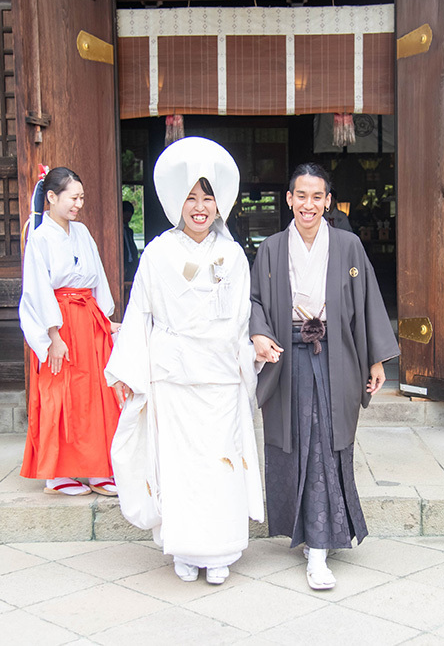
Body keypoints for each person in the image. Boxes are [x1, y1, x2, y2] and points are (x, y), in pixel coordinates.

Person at [106, 137, 263, 586]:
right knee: (179, 465)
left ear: (219, 204)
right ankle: (184, 547)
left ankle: (221, 549)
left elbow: (242, 318)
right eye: (191, 197)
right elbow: (140, 312)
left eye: (207, 198)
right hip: (173, 375)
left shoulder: (233, 255)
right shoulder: (158, 252)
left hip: (220, 376)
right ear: (178, 202)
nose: (199, 207)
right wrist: (128, 370)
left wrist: (251, 352)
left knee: (220, 461)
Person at [249, 163, 399, 591]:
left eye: (317, 197)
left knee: (324, 441)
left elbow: (368, 302)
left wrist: (376, 360)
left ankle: (318, 547)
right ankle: (309, 535)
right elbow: (253, 300)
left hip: (336, 357)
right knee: (295, 441)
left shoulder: (348, 246)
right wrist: (259, 333)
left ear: (328, 201)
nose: (309, 205)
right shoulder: (272, 248)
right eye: (301, 196)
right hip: (287, 357)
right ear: (289, 199)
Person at [18, 167, 121, 497]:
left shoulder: (82, 232)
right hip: (60, 324)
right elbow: (37, 290)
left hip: (87, 320)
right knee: (61, 395)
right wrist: (53, 336)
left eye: (81, 198)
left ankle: (98, 468)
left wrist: (104, 319)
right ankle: (59, 475)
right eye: (73, 198)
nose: (79, 204)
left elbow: (98, 277)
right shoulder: (40, 237)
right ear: (51, 197)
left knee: (96, 395)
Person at [122, 200, 139, 282]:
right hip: (123, 263)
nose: (128, 218)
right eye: (126, 215)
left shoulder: (129, 231)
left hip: (132, 263)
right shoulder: (117, 230)